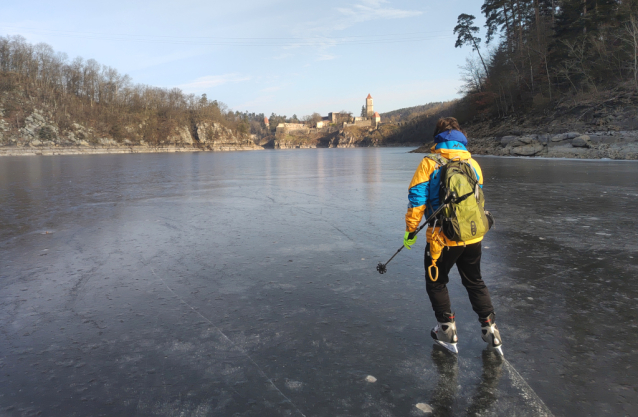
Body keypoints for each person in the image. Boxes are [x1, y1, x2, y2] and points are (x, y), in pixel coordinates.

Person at [403, 117, 502, 354]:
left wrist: (410, 231)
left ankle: (446, 330)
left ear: (437, 137)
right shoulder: (473, 163)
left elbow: (417, 199)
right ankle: (491, 330)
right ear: (461, 137)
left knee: (436, 282)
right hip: (473, 235)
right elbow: (478, 198)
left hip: (442, 236)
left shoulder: (429, 162)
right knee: (475, 281)